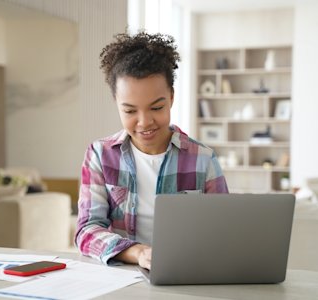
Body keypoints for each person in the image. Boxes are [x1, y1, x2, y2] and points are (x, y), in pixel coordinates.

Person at [75, 31, 229, 270]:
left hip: (187, 274)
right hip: (123, 275)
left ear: (171, 97)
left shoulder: (203, 159)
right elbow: (86, 231)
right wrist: (138, 253)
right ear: (116, 102)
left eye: (156, 107)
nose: (144, 122)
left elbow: (224, 231)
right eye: (130, 111)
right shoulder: (99, 155)